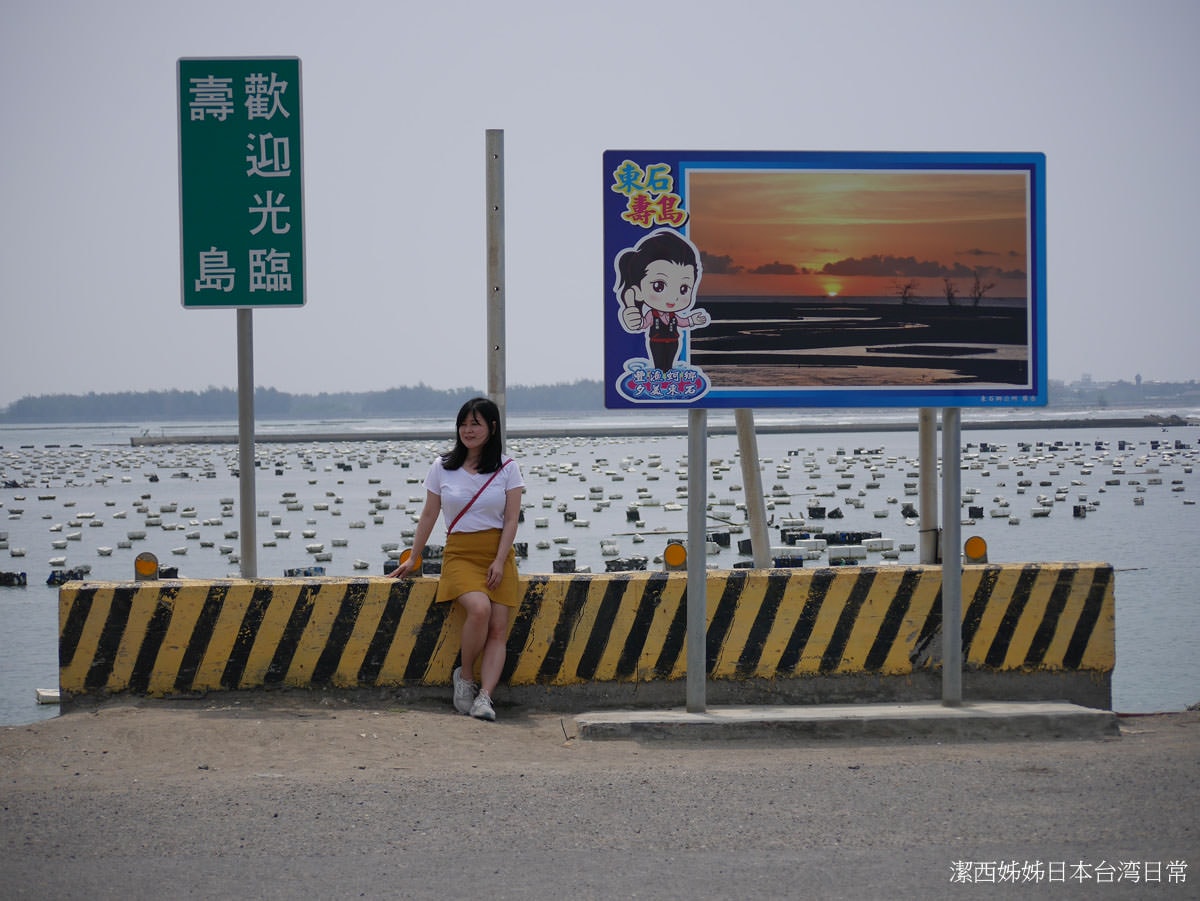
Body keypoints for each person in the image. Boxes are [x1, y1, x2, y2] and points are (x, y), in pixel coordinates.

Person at [388, 397, 524, 721]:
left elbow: (510, 520)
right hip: (460, 554)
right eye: (463, 424)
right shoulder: (442, 466)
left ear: (492, 427)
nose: (468, 430)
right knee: (479, 609)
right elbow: (429, 514)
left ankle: (485, 698)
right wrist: (414, 557)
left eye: (475, 424)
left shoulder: (508, 468)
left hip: (498, 555)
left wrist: (499, 560)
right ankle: (465, 678)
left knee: (498, 629)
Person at [615, 228, 709, 372]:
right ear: (638, 291)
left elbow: (682, 322)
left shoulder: (673, 315)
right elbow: (643, 323)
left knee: (669, 363)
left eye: (683, 289)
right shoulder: (652, 314)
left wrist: (693, 320)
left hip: (673, 341)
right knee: (659, 364)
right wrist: (634, 320)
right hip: (656, 342)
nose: (673, 297)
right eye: (659, 286)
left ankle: (668, 375)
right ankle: (660, 376)